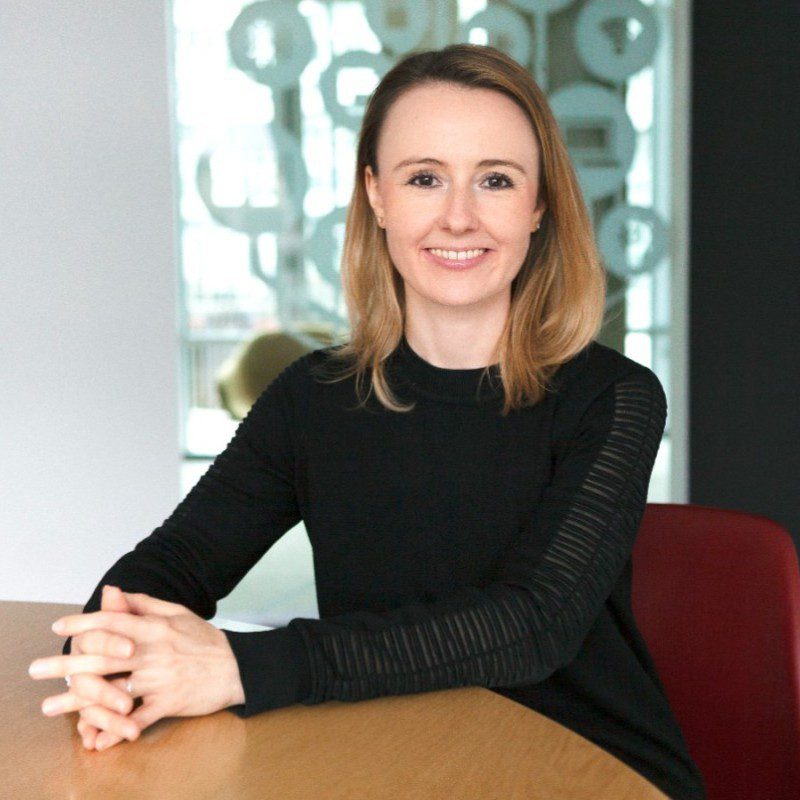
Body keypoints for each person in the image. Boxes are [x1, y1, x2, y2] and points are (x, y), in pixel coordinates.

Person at [28, 44, 707, 800]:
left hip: (590, 770)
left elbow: (532, 624)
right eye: (424, 178)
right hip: (391, 761)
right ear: (376, 195)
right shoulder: (314, 396)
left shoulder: (613, 397)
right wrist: (112, 659)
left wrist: (241, 667)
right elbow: (176, 562)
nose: (459, 216)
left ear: (539, 205)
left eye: (496, 180)